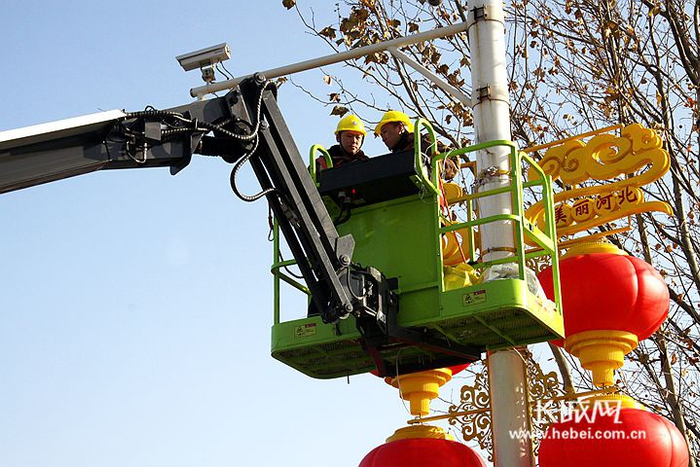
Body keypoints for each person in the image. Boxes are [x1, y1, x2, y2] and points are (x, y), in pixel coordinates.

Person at [374, 110, 458, 180]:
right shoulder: (393, 160)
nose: (383, 139)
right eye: (381, 135)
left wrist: (439, 164)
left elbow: (454, 162)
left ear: (400, 128)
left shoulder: (423, 142)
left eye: (385, 132)